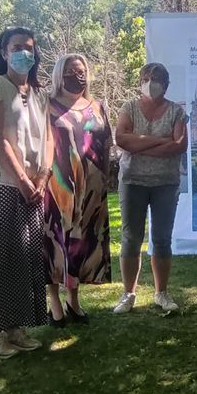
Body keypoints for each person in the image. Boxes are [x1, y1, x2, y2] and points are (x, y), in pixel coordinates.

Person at [0, 27, 52, 358]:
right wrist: (22, 179)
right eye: (17, 47)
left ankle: (16, 327)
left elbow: (47, 137)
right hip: (2, 186)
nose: (24, 52)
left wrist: (43, 177)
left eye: (29, 48)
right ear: (4, 52)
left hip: (35, 186)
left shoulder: (38, 93)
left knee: (25, 258)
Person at [113, 63, 188, 314]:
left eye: (156, 78)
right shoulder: (129, 108)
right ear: (139, 81)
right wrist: (159, 142)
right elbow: (122, 139)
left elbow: (179, 146)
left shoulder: (176, 111)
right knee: (130, 239)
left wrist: (140, 143)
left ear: (166, 84)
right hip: (132, 182)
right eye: (146, 77)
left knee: (162, 240)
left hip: (165, 184)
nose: (150, 82)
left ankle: (162, 293)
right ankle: (128, 293)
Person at [43, 54, 112, 327]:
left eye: (81, 70)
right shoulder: (46, 105)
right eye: (71, 71)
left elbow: (106, 142)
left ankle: (74, 299)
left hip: (93, 186)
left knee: (81, 243)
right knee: (56, 242)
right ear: (60, 74)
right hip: (57, 184)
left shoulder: (97, 106)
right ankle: (54, 302)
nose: (77, 75)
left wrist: (106, 176)